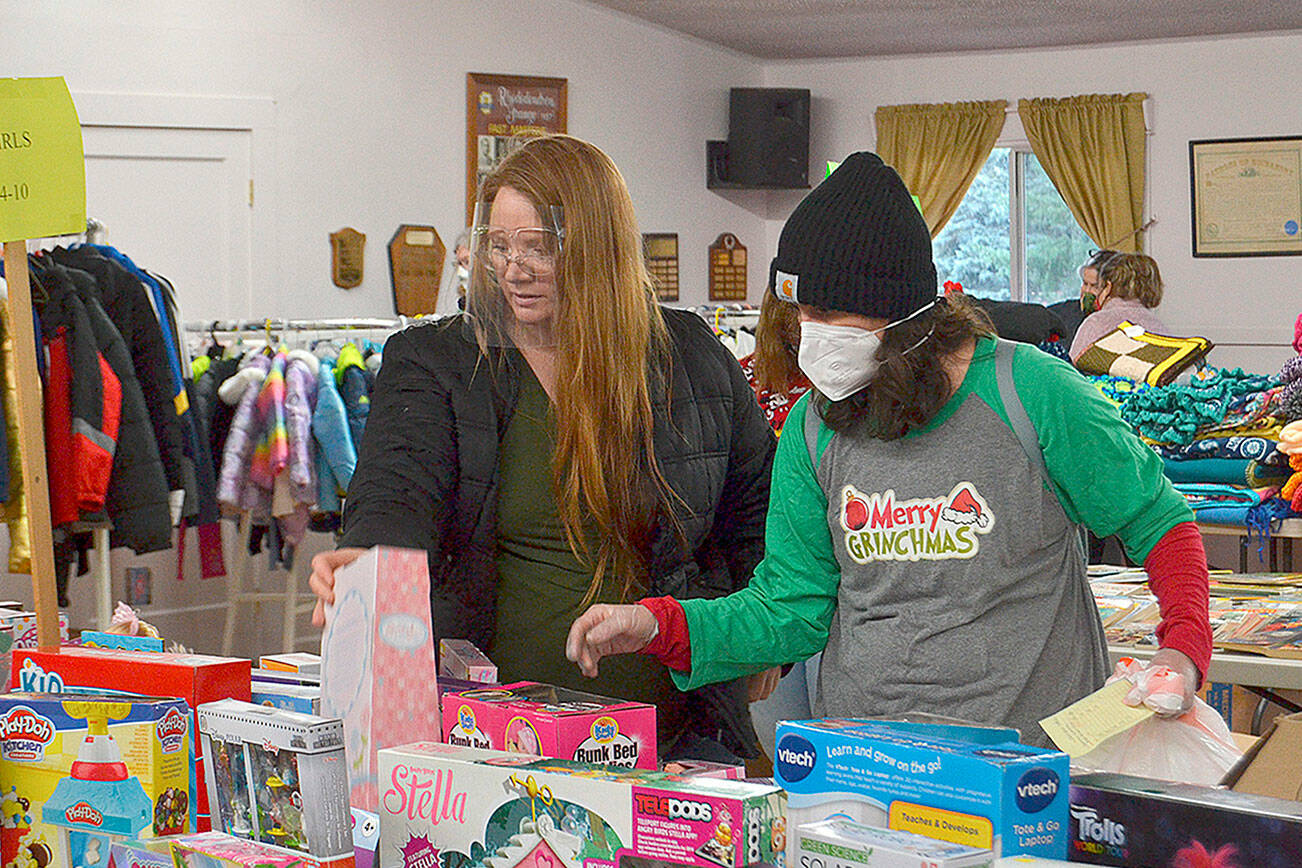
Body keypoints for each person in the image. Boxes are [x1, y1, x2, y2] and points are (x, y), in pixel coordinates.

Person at [566, 152, 1213, 747]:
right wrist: (662, 627)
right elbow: (789, 609)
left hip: (1029, 766)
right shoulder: (813, 429)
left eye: (834, 315)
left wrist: (1183, 645)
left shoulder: (1032, 392)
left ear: (908, 317)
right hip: (869, 762)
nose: (812, 336)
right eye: (802, 315)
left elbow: (1157, 518)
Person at [309, 134, 776, 761]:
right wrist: (365, 561)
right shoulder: (437, 360)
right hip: (488, 748)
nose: (512, 269)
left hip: (680, 742)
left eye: (538, 247)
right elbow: (398, 489)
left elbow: (761, 521)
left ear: (596, 247)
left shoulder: (690, 356)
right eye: (498, 246)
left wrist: (762, 645)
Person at [736, 289, 818, 760]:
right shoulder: (744, 380)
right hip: (771, 578)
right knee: (786, 747)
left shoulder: (854, 387)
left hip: (841, 588)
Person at [1068, 249, 1167, 362]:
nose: (1087, 291)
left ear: (1108, 287)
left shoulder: (1096, 323)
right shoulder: (1159, 328)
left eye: (1096, 286)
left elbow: (1071, 372)